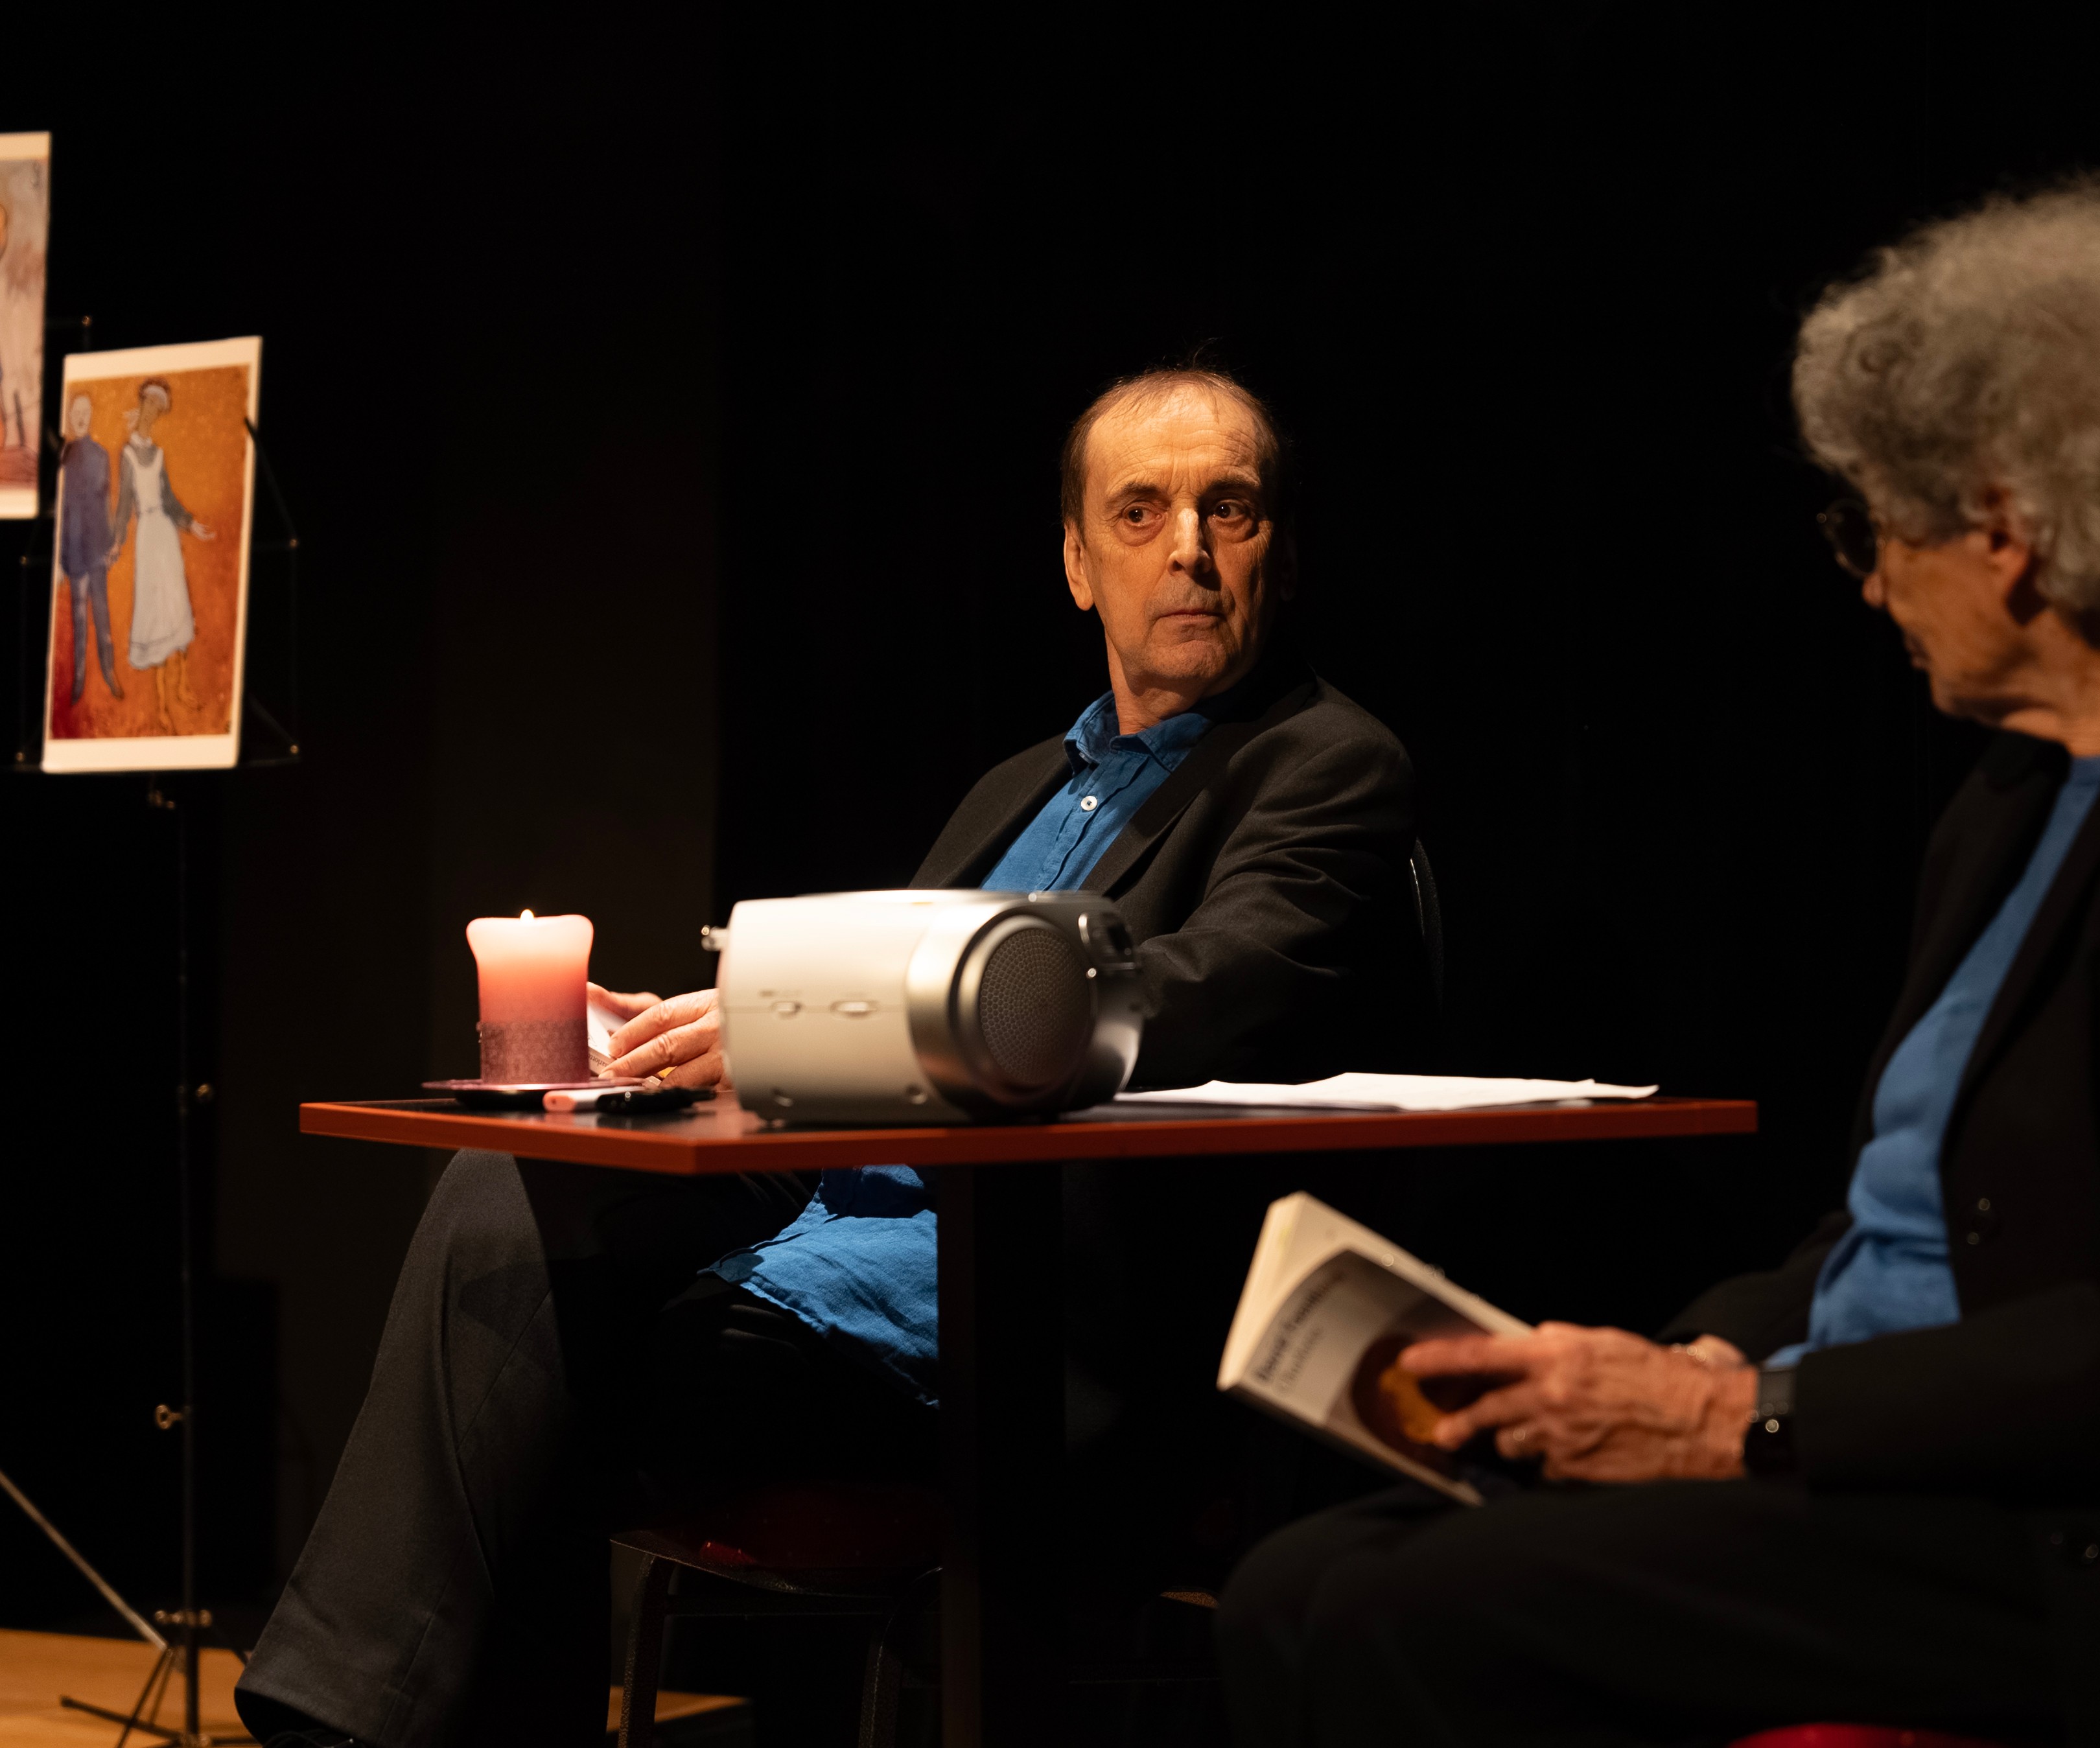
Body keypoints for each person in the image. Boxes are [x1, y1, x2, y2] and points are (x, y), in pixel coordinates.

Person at [1217, 176, 2100, 1747]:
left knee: (1406, 1614)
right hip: (1855, 1445)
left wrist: (1740, 1412)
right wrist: (1682, 1356)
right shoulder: (2006, 796)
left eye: (1871, 524)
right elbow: (1886, 1218)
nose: (1863, 581)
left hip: (2075, 1529)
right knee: (1292, 1582)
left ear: (2004, 527)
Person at [237, 366, 1433, 1748]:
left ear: (1281, 544)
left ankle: (353, 1725)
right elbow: (877, 1015)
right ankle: (358, 1720)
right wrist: (706, 1046)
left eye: (1228, 509)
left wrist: (796, 1022)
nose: (1187, 549)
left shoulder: (1326, 765)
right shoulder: (1020, 787)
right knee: (504, 1199)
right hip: (814, 1233)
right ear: (1075, 562)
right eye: (1139, 510)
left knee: (531, 1351)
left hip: (1025, 1310)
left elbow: (1195, 993)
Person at [110, 378, 215, 732]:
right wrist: (116, 542)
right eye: (148, 404)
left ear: (159, 415)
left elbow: (169, 499)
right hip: (147, 539)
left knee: (177, 605)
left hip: (167, 535)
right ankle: (162, 705)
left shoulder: (159, 454)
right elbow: (124, 506)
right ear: (141, 405)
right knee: (154, 613)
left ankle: (182, 686)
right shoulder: (127, 455)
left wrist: (191, 524)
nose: (151, 412)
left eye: (158, 408)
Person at [56, 392, 122, 703]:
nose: (81, 417)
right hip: (73, 551)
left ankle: (109, 673)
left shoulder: (101, 455)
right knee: (79, 618)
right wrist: (59, 561)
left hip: (97, 549)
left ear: (91, 415)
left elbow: (106, 504)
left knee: (102, 614)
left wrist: (111, 545)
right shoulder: (63, 457)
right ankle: (79, 680)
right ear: (70, 417)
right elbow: (61, 512)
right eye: (76, 412)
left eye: (86, 411)